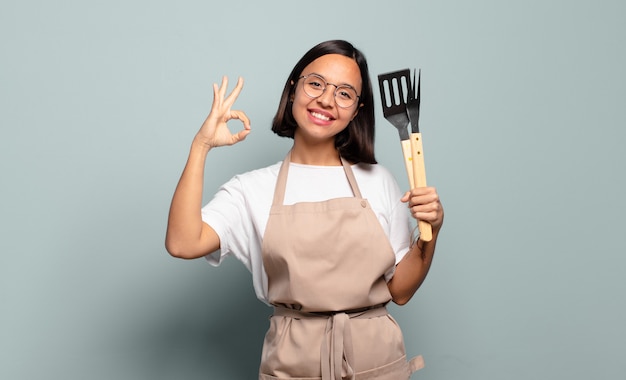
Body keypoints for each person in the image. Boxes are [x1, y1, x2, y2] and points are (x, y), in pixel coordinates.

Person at [165, 40, 444, 380]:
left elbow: (400, 290)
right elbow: (182, 243)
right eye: (316, 84)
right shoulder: (251, 189)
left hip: (377, 363)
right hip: (292, 364)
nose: (326, 99)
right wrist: (201, 146)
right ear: (294, 88)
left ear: (356, 110)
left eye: (344, 93)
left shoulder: (379, 181)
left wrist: (430, 235)